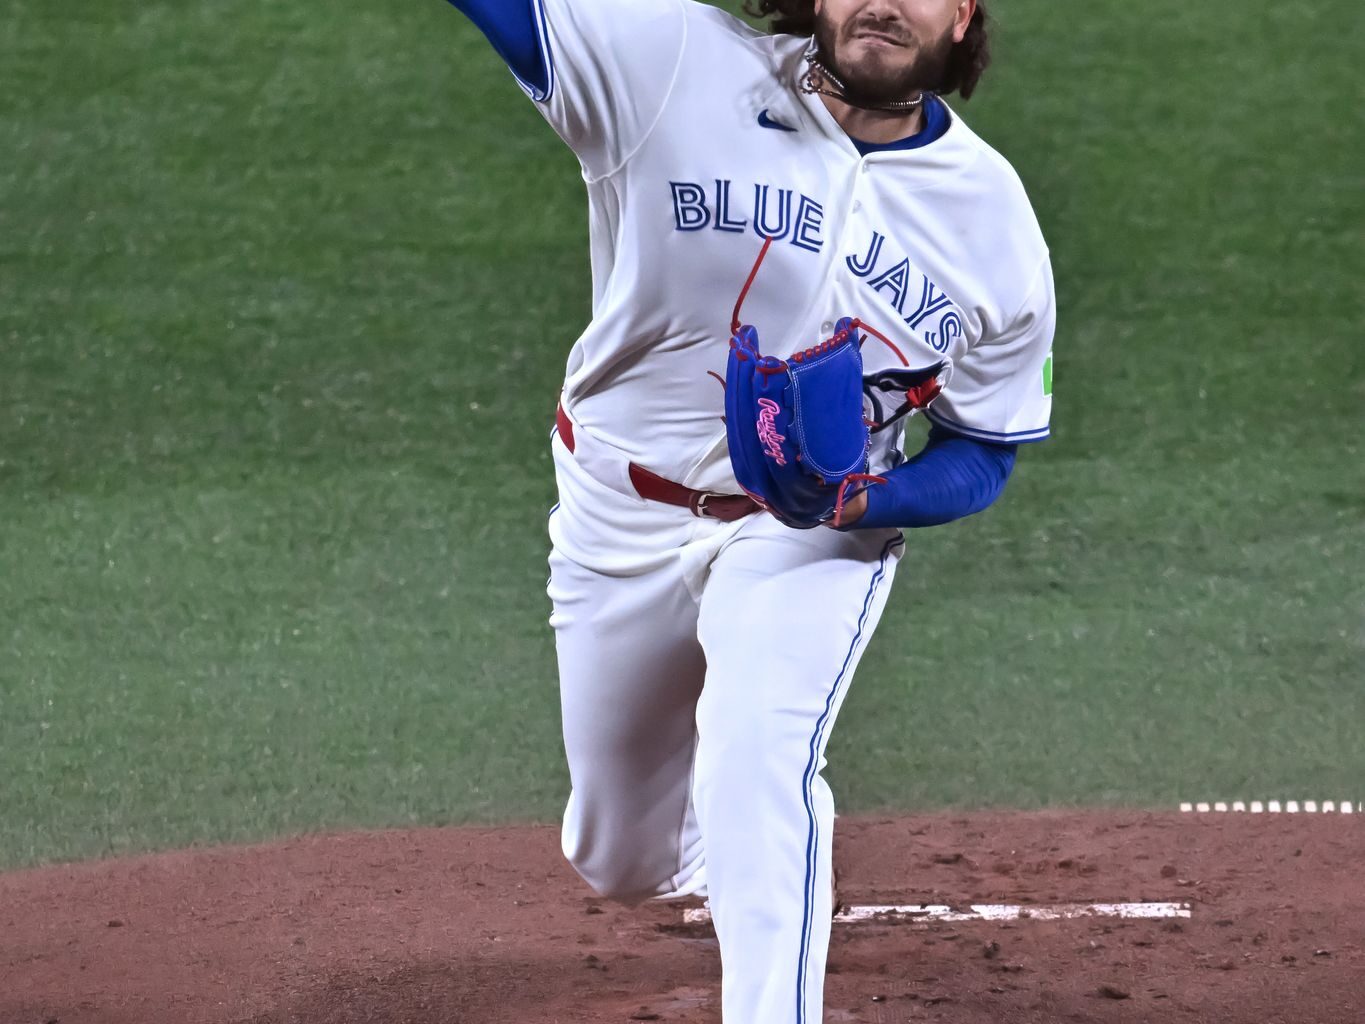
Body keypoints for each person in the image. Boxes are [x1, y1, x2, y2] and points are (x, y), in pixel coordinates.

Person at [441, 1, 1054, 1020]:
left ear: (965, 12)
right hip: (619, 512)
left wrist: (867, 492)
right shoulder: (672, 62)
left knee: (759, 748)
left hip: (809, 532)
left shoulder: (994, 226)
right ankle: (697, 840)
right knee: (617, 858)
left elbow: (985, 453)